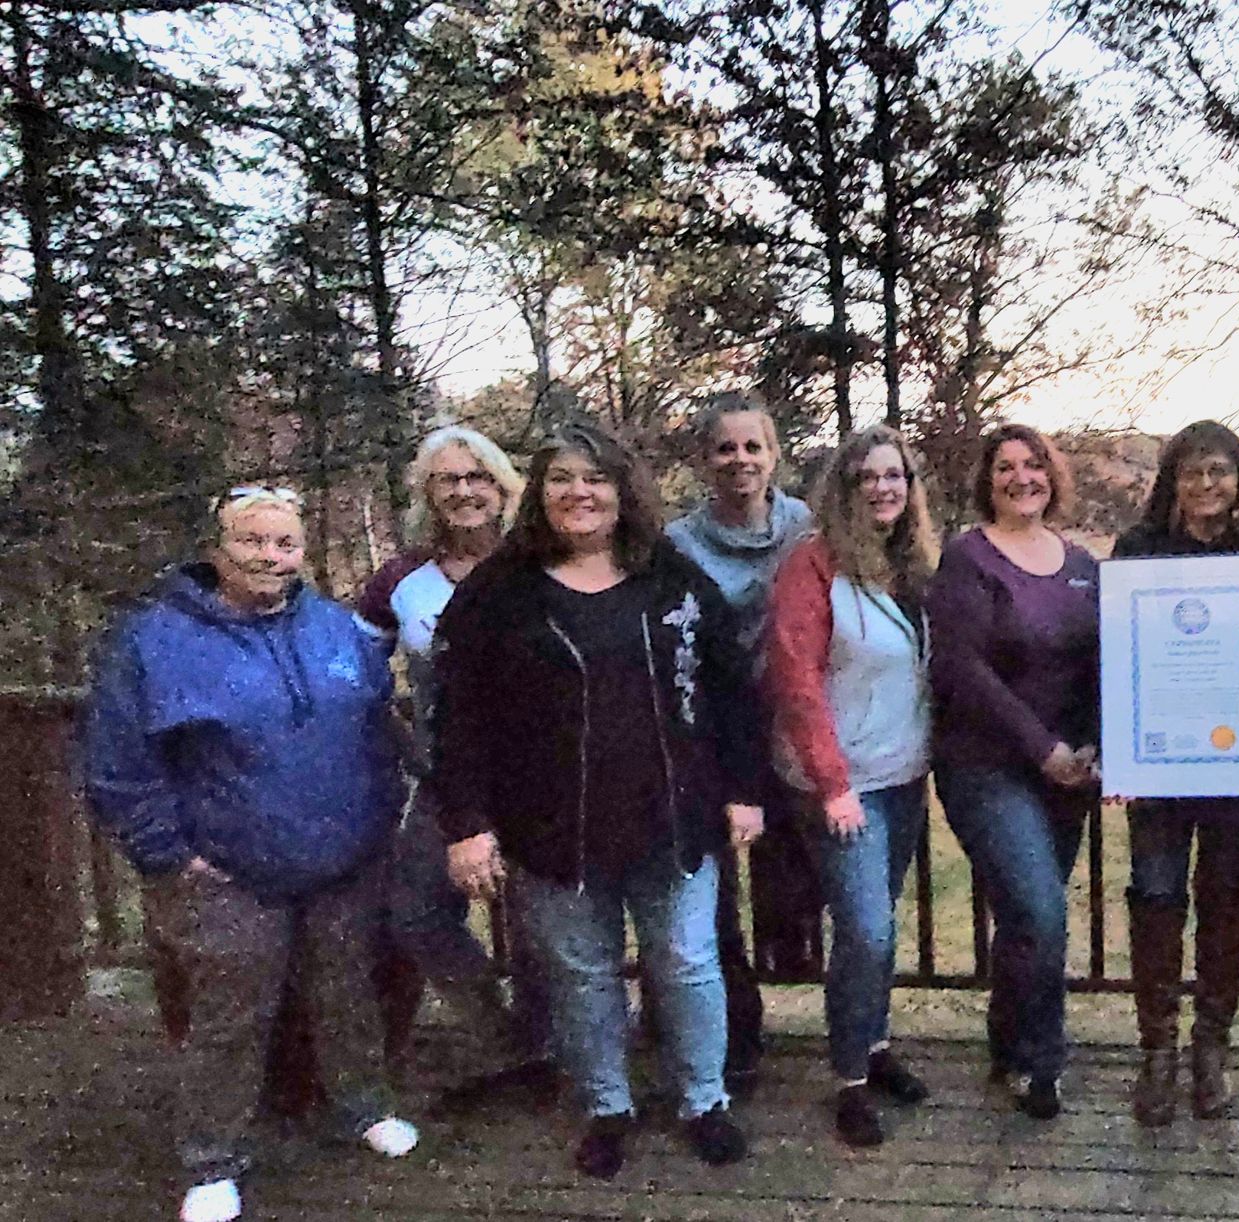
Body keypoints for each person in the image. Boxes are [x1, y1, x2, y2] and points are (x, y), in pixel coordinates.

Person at [431, 421, 758, 1177]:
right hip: (553, 827)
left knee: (687, 963)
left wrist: (743, 788)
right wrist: (468, 823)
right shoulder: (499, 592)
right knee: (583, 973)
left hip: (671, 818)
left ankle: (703, 1099)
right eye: (562, 480)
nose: (580, 493)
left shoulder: (669, 575)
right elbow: (457, 715)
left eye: (596, 479)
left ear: (622, 491)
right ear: (539, 495)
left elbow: (731, 686)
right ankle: (608, 1105)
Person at [85, 485, 418, 1222]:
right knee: (229, 1020)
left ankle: (362, 1107)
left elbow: (376, 730)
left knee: (347, 995)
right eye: (253, 542)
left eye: (285, 544)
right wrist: (168, 855)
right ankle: (211, 1161)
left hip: (343, 861)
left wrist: (380, 818)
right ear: (217, 550)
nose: (271, 557)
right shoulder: (152, 641)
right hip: (222, 873)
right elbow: (118, 763)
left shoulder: (336, 628)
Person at [355, 424, 557, 1109]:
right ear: (427, 492)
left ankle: (549, 1051)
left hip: (540, 776)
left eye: (478, 476)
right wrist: (400, 743)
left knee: (541, 930)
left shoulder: (546, 564)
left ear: (503, 487)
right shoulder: (400, 580)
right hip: (444, 778)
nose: (465, 491)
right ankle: (501, 1034)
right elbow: (354, 674)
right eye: (448, 478)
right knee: (415, 914)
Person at [1110, 420, 1239, 1125]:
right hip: (1159, 761)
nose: (1205, 485)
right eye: (1192, 472)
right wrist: (1122, 746)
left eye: (1219, 471)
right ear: (1172, 480)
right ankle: (1157, 1049)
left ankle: (1211, 1047)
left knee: (1226, 894)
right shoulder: (1137, 551)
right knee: (1155, 894)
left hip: (1238, 762)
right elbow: (1119, 655)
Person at [763, 425, 939, 1147]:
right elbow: (795, 676)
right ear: (842, 487)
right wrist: (832, 783)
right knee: (864, 928)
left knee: (881, 923)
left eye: (894, 475)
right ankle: (850, 1079)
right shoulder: (813, 564)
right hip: (841, 784)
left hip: (903, 774)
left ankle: (873, 1044)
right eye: (866, 476)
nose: (882, 487)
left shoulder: (914, 567)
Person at [927, 423, 1100, 1120]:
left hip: (1069, 772)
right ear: (987, 480)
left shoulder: (1084, 561)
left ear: (1053, 475)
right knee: (1039, 910)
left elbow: (1105, 664)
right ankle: (1042, 1063)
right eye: (1006, 467)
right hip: (986, 767)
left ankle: (1006, 1039)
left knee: (1029, 918)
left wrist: (1093, 745)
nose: (1021, 477)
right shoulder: (966, 559)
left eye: (1034, 465)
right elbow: (963, 672)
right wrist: (1043, 749)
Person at [665, 391, 819, 1086]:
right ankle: (733, 1034)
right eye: (725, 447)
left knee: (798, 884)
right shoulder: (675, 545)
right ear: (705, 460)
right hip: (711, 735)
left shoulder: (805, 530)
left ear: (774, 453)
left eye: (753, 446)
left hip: (792, 726)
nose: (740, 460)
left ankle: (848, 1028)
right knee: (713, 891)